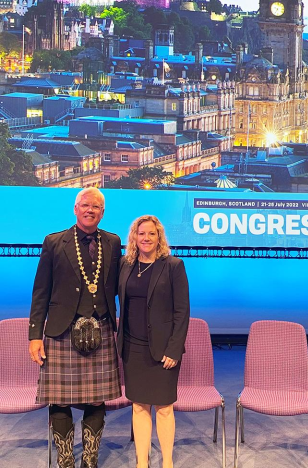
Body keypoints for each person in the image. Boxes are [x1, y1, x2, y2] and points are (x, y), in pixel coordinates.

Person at [29, 187, 122, 468]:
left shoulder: (113, 242)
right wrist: (35, 335)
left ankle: (90, 458)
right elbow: (40, 292)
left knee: (97, 399)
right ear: (75, 208)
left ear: (102, 212)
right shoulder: (54, 242)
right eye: (85, 205)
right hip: (61, 331)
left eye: (96, 207)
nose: (90, 210)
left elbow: (119, 286)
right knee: (59, 399)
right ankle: (66, 458)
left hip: (101, 327)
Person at [117, 215, 190, 468]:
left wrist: (174, 349)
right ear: (134, 237)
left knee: (164, 408)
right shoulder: (125, 265)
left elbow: (182, 311)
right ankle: (142, 462)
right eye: (141, 233)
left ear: (159, 237)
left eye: (151, 233)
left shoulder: (173, 265)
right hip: (132, 348)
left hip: (163, 350)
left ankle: (167, 462)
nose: (146, 238)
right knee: (139, 406)